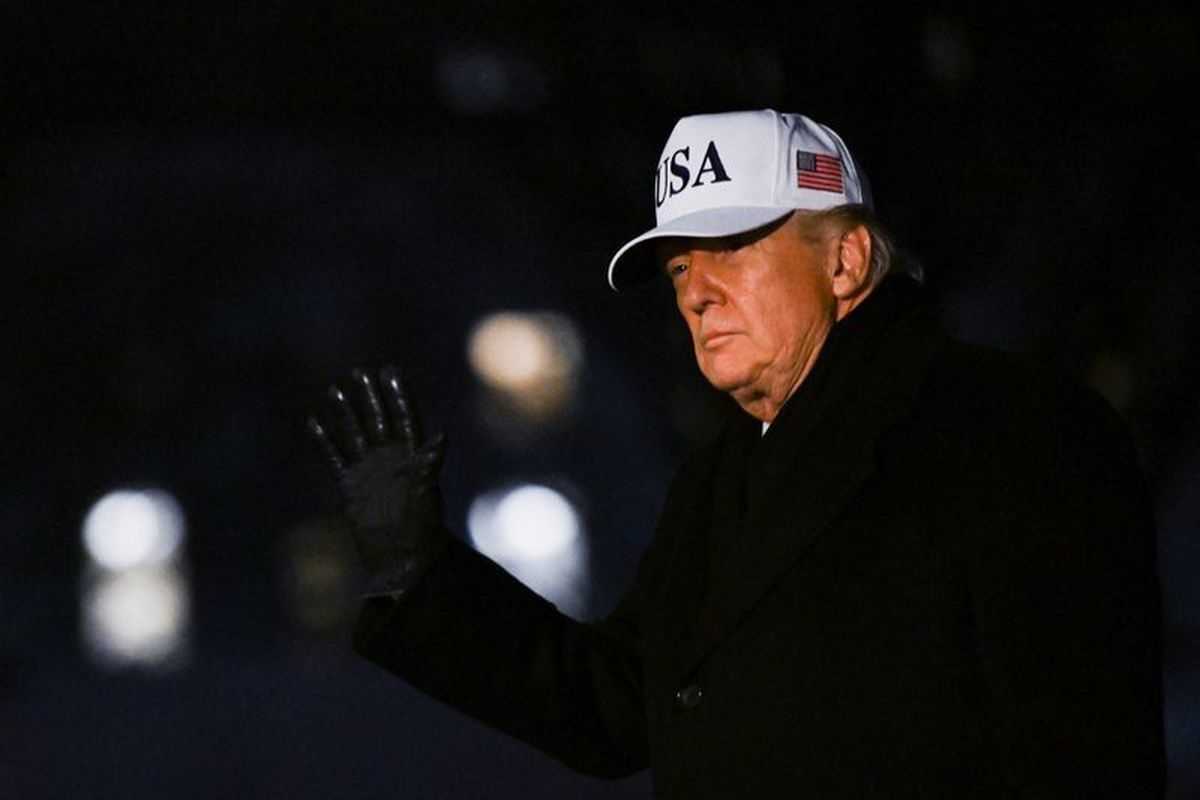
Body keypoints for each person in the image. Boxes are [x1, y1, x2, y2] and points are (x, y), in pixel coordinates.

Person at [307, 110, 1166, 798]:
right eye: (680, 268)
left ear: (846, 260)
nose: (697, 294)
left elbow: (1081, 756)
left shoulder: (1012, 429)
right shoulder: (725, 473)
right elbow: (617, 708)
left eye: (729, 248)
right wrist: (420, 574)